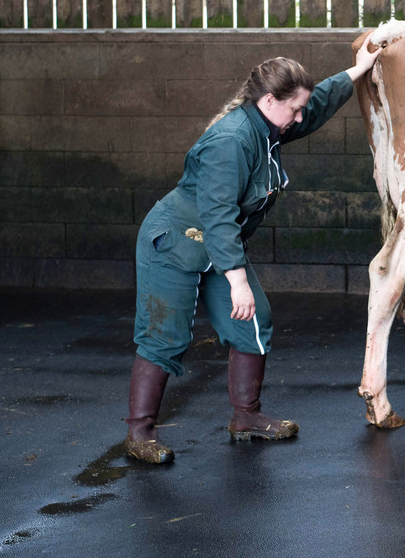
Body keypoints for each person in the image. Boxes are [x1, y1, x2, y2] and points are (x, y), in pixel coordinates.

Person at [123, 40, 380, 464]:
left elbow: (314, 107)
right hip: (174, 242)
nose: (299, 118)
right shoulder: (231, 141)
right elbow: (220, 216)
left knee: (254, 320)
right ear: (268, 100)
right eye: (293, 109)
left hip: (215, 244)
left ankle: (246, 417)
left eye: (299, 109)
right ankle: (139, 433)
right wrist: (237, 280)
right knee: (163, 335)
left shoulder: (269, 124)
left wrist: (360, 70)